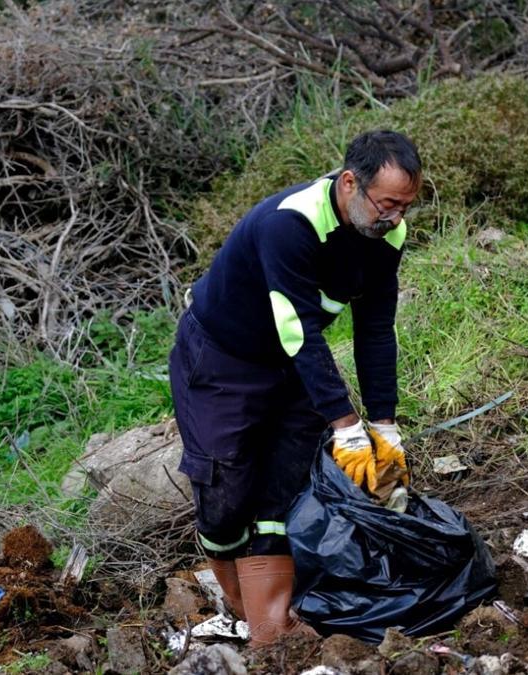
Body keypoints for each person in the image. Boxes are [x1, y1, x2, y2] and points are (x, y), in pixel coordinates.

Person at [168, 130, 422, 645]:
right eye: (387, 204)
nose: (396, 218)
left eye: (405, 207)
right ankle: (237, 606)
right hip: (222, 359)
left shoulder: (385, 236)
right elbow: (297, 328)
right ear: (349, 183)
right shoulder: (289, 224)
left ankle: (270, 630)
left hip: (293, 360)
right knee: (224, 494)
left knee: (286, 486)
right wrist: (346, 426)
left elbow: (375, 330)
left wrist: (384, 425)